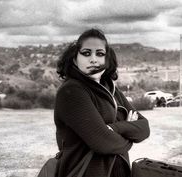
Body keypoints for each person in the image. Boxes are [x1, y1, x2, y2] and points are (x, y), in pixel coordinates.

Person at [54, 28, 150, 177]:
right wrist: (129, 136)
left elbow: (144, 128)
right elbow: (103, 143)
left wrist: (115, 128)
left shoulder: (110, 88)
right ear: (75, 59)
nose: (94, 59)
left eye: (100, 54)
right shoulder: (72, 91)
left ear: (106, 59)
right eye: (86, 53)